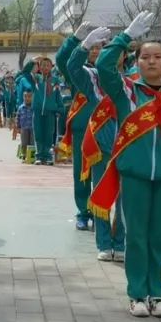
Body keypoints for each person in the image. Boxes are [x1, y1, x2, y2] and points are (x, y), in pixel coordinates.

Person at [90, 12, 161, 319]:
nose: (151, 62)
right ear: (136, 61)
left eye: (157, 57)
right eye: (145, 57)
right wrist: (125, 36)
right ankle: (137, 293)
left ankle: (158, 293)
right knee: (136, 235)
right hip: (135, 176)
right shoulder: (126, 92)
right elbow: (102, 66)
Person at [66, 26, 127, 261]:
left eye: (117, 50)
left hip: (127, 149)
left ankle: (119, 242)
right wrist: (83, 44)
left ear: (123, 55)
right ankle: (103, 242)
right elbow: (72, 67)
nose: (113, 54)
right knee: (101, 194)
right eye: (106, 50)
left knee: (124, 199)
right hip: (101, 149)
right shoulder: (94, 80)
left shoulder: (132, 81)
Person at [56, 30, 99, 230]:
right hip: (83, 130)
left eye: (100, 47)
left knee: (102, 175)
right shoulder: (78, 73)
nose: (96, 51)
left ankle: (101, 211)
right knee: (82, 174)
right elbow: (63, 59)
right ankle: (83, 211)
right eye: (92, 47)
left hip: (107, 131)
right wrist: (75, 39)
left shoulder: (114, 75)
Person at [22, 57, 62, 165]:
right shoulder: (36, 78)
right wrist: (32, 61)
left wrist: (60, 108)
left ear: (51, 67)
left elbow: (58, 96)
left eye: (47, 65)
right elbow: (25, 72)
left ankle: (48, 156)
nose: (45, 67)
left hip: (50, 112)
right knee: (38, 134)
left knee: (49, 134)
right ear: (39, 67)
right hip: (38, 111)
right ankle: (39, 156)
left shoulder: (55, 80)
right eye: (43, 65)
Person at [16, 91, 34, 161]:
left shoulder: (34, 107)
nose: (27, 98)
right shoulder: (21, 107)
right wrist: (18, 127)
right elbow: (18, 117)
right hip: (24, 128)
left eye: (29, 97)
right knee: (24, 143)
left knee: (32, 143)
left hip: (32, 128)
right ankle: (24, 156)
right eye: (25, 96)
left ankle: (32, 158)